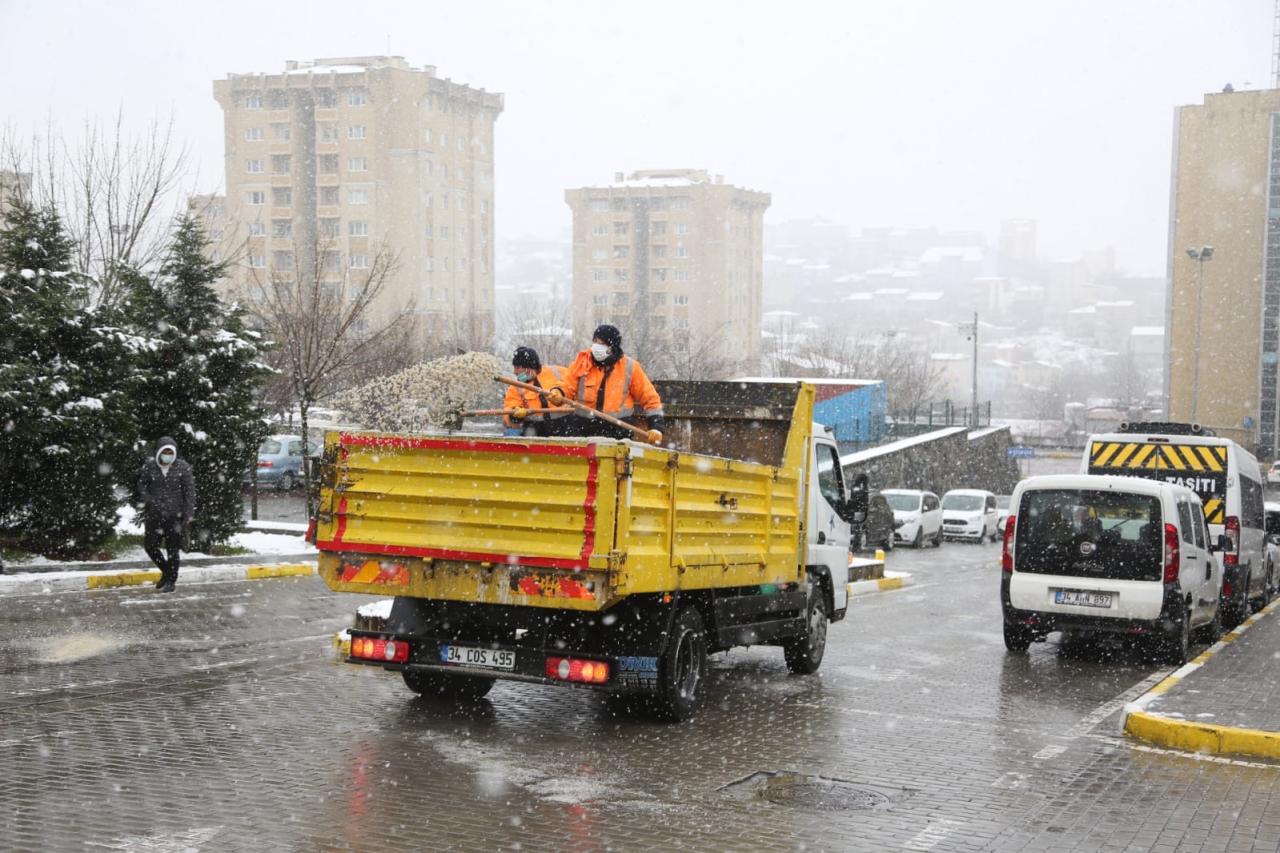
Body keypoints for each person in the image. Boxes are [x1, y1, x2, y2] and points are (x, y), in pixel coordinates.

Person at [549, 324, 665, 444]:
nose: (596, 346)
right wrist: (559, 392)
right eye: (595, 341)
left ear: (612, 347)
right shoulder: (582, 362)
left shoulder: (630, 367)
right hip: (583, 430)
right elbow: (567, 383)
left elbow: (650, 399)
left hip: (619, 433)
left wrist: (656, 427)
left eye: (601, 343)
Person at [137, 436, 196, 593]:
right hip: (154, 515)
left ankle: (171, 581)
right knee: (150, 546)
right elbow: (142, 485)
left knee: (172, 549)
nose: (168, 455)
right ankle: (166, 571)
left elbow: (189, 493)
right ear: (159, 452)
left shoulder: (183, 467)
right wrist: (149, 500)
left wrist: (188, 513)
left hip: (174, 516)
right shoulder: (150, 466)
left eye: (170, 453)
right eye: (165, 452)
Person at [503, 346, 569, 437]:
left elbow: (573, 382)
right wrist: (514, 414)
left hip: (564, 427)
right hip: (534, 432)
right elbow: (508, 411)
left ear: (528, 367)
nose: (515, 372)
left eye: (517, 367)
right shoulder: (515, 387)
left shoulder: (556, 372)